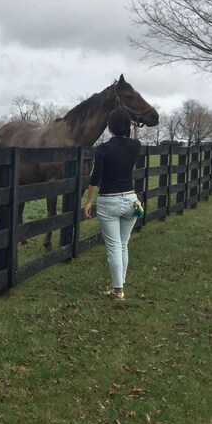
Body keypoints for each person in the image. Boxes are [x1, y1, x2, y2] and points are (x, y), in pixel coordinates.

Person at [83, 108, 142, 301]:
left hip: (110, 201)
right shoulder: (136, 146)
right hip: (131, 200)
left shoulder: (103, 149)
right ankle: (120, 286)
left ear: (110, 127)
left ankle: (118, 290)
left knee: (115, 247)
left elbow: (95, 178)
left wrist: (89, 200)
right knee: (123, 245)